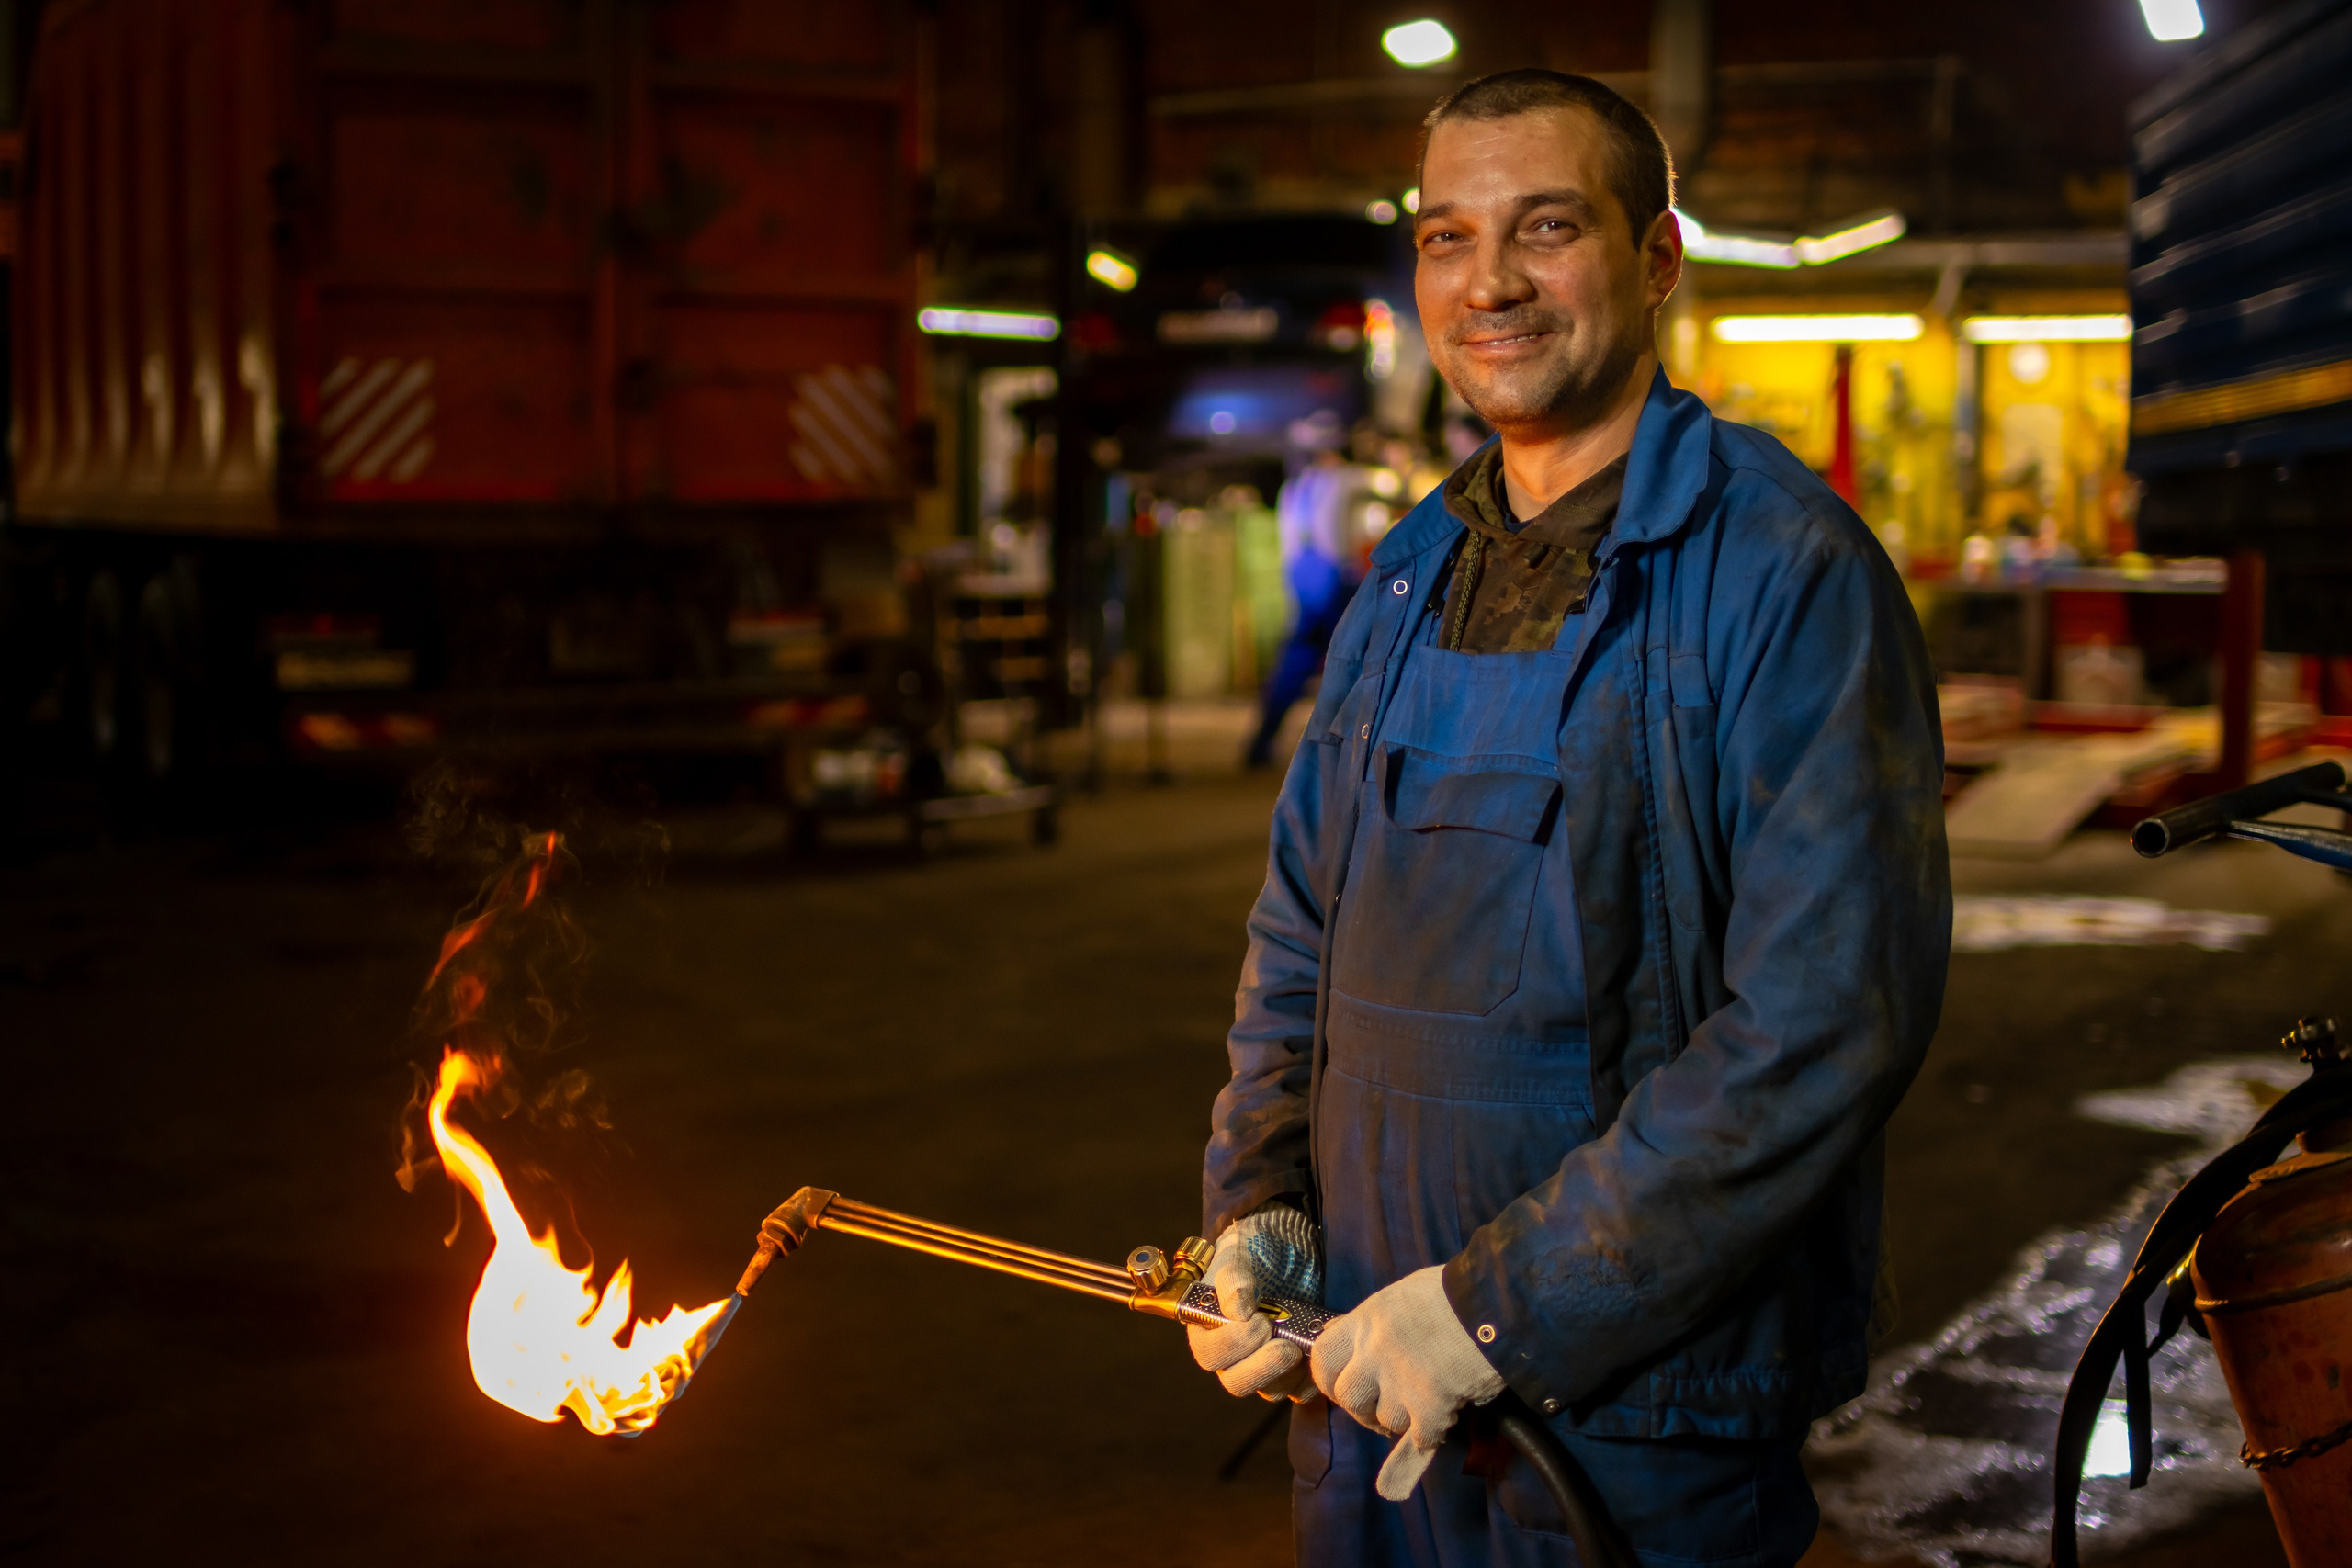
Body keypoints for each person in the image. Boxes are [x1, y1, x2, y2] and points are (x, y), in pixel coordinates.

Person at [1191, 69, 1950, 1567]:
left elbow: (1821, 1019)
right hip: (1363, 1382)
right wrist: (1257, 1204)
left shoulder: (1783, 570)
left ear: (1658, 257)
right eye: (1446, 236)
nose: (1488, 283)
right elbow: (1299, 945)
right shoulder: (1406, 577)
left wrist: (1496, 1309)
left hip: (1638, 1418)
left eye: (1545, 228)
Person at [1245, 446, 1374, 768]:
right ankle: (1348, 749)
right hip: (1337, 587)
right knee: (1356, 667)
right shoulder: (1349, 479)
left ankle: (1261, 744)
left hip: (1303, 590)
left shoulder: (1294, 488)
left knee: (1292, 671)